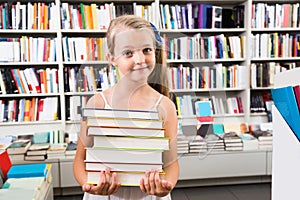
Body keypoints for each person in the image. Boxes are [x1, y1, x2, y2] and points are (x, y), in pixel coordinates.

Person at [73, 14, 179, 200]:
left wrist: (166, 187)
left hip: (149, 196)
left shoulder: (165, 106)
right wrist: (89, 185)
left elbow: (171, 163)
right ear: (112, 58)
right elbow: (80, 160)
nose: (139, 59)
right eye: (128, 53)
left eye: (146, 50)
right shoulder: (97, 103)